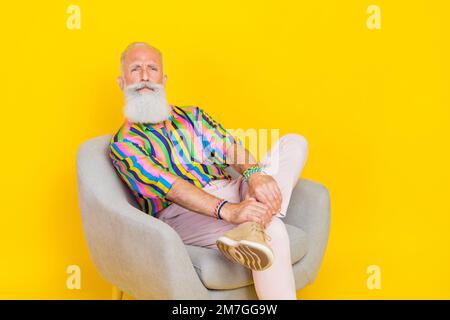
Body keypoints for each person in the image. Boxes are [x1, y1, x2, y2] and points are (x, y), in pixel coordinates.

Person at [109, 42, 308, 299]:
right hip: (183, 213)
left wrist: (255, 175)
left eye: (152, 68)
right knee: (274, 232)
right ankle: (262, 222)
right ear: (122, 81)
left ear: (164, 78)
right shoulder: (124, 144)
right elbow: (175, 189)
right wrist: (231, 211)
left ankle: (256, 221)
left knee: (294, 142)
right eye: (135, 69)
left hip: (233, 188)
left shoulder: (192, 116)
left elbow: (228, 148)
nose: (145, 76)